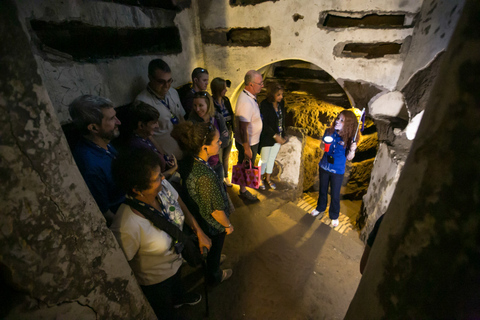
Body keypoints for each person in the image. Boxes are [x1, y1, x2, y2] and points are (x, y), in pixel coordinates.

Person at [110, 148, 211, 320]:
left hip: (177, 262)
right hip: (155, 281)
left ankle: (180, 298)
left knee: (177, 286)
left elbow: (180, 204)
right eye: (157, 177)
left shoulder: (162, 187)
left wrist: (199, 231)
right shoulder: (127, 224)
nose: (163, 178)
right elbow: (121, 265)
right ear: (136, 189)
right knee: (164, 310)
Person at [171, 121, 234, 285]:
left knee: (212, 248)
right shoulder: (205, 177)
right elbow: (215, 211)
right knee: (215, 243)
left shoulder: (190, 160)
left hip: (198, 215)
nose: (220, 143)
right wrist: (227, 225)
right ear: (205, 148)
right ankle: (215, 275)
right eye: (217, 141)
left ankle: (214, 258)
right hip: (212, 224)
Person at [69, 95, 124, 226]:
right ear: (93, 128)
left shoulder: (104, 141)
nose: (118, 122)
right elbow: (105, 212)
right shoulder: (91, 166)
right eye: (111, 119)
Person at [310, 110, 359, 227]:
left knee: (335, 194)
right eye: (338, 118)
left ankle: (334, 215)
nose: (338, 121)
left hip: (337, 170)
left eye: (342, 120)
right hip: (324, 166)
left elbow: (349, 157)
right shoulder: (329, 131)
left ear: (348, 125)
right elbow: (322, 146)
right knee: (322, 189)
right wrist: (323, 145)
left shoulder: (350, 138)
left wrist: (352, 149)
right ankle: (320, 208)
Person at [135, 59, 185, 160]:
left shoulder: (173, 92)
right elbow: (148, 136)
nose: (166, 86)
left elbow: (181, 118)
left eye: (169, 81)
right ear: (150, 78)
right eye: (161, 82)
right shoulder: (142, 101)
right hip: (168, 156)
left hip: (184, 149)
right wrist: (163, 157)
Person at [125, 100, 178, 179]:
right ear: (141, 125)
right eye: (154, 123)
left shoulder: (146, 137)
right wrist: (174, 168)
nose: (157, 126)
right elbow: (154, 179)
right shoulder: (139, 148)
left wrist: (167, 163)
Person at [234, 70, 264, 201]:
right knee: (245, 166)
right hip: (248, 143)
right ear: (251, 84)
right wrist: (246, 148)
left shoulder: (249, 96)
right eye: (260, 83)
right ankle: (243, 190)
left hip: (252, 141)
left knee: (245, 166)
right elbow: (243, 127)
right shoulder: (246, 102)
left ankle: (244, 188)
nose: (262, 85)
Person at [188, 91, 229, 182]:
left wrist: (210, 143)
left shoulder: (218, 117)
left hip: (217, 164)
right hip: (201, 166)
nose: (197, 109)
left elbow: (226, 139)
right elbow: (193, 145)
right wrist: (216, 142)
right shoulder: (192, 122)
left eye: (200, 105)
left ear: (208, 104)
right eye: (195, 105)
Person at [258, 82, 287, 190]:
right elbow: (264, 124)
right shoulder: (265, 104)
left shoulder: (281, 103)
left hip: (278, 136)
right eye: (278, 95)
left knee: (271, 158)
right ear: (272, 94)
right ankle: (259, 178)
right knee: (264, 159)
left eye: (282, 94)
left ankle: (268, 179)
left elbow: (282, 119)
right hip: (267, 137)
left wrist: (283, 134)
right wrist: (275, 136)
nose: (281, 97)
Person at [211, 77, 235, 187]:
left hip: (229, 132)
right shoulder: (211, 102)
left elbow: (231, 115)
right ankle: (219, 180)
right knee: (219, 159)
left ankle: (226, 177)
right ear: (218, 89)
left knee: (226, 156)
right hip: (219, 134)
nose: (226, 90)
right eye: (224, 88)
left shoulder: (226, 100)